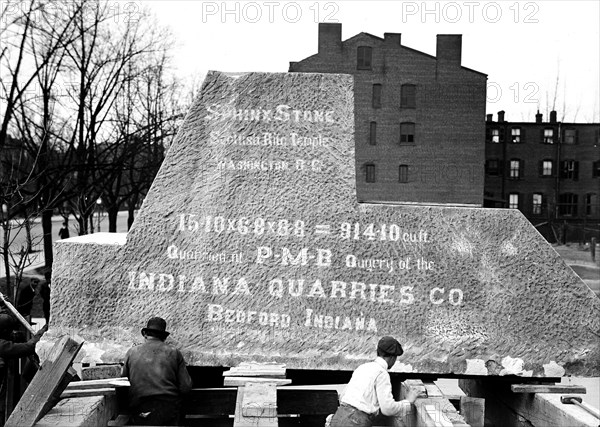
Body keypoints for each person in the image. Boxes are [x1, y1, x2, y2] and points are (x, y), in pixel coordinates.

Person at [329, 336, 419, 427]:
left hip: (339, 416)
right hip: (356, 421)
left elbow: (343, 396)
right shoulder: (382, 373)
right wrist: (408, 402)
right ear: (392, 358)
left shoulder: (362, 367)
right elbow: (387, 408)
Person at [122, 317, 193, 426]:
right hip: (168, 411)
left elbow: (123, 384)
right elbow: (186, 387)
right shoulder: (174, 352)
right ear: (164, 337)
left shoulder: (131, 352)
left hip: (139, 410)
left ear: (145, 334)